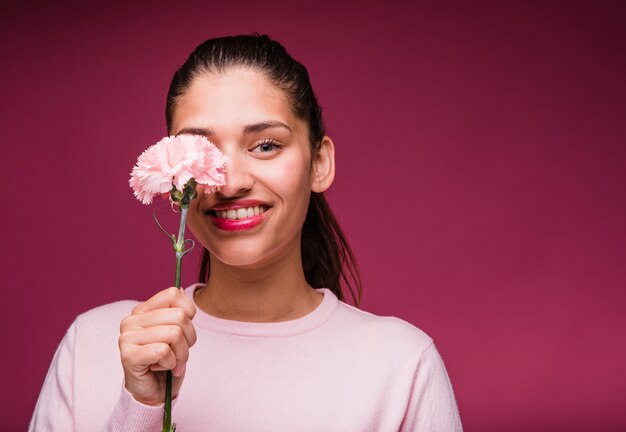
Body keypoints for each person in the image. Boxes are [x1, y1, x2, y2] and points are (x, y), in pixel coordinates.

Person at [29, 34, 463, 431]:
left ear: (319, 162)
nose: (230, 181)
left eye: (266, 145)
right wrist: (139, 407)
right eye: (202, 150)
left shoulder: (402, 366)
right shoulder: (92, 345)